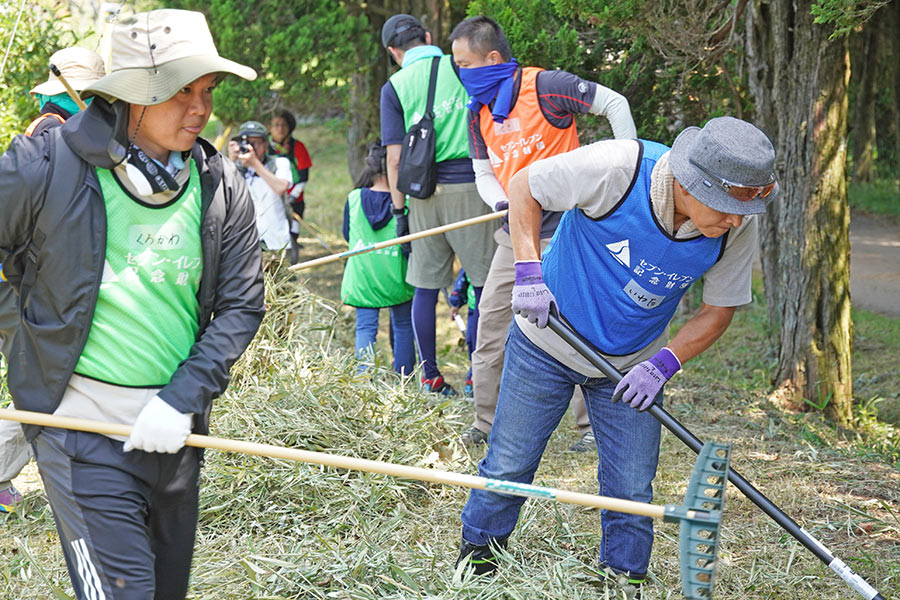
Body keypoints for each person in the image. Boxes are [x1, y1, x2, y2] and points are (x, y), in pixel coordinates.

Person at [0, 9, 264, 599]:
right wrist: (19, 329)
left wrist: (181, 399)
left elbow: (242, 305)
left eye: (207, 91)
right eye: (180, 92)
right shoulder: (44, 167)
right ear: (133, 99)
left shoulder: (220, 187)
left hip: (174, 435)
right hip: (78, 431)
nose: (201, 108)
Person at [457, 117, 777, 594]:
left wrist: (663, 364)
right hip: (547, 338)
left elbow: (718, 310)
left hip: (632, 365)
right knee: (510, 463)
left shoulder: (733, 228)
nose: (735, 220)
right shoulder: (618, 168)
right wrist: (527, 270)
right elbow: (525, 186)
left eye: (742, 210)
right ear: (692, 184)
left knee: (631, 485)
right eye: (727, 208)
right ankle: (476, 563)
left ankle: (624, 579)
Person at [448, 16, 638, 450]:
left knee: (582, 324)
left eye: (465, 64)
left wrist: (630, 170)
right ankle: (485, 421)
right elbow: (482, 172)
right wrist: (501, 201)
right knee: (491, 322)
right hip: (514, 232)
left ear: (492, 59)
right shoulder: (477, 110)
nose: (461, 75)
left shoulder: (546, 87)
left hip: (572, 229)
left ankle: (591, 428)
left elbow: (616, 105)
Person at [0, 46, 107, 513]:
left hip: (31, 288)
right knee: (44, 388)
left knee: (48, 384)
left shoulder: (58, 136)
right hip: (16, 289)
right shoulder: (48, 142)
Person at [380, 14, 497, 396]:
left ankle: (429, 375)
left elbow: (394, 160)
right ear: (428, 37)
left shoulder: (394, 86)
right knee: (484, 286)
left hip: (422, 194)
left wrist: (400, 213)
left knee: (425, 288)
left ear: (393, 52)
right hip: (473, 187)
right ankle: (477, 375)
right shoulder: (460, 64)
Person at [341, 141, 416, 375]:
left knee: (365, 328)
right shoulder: (405, 203)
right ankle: (404, 380)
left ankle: (363, 381)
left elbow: (347, 234)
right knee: (403, 326)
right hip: (396, 276)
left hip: (363, 278)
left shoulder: (354, 198)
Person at [228, 120, 294, 252]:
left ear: (265, 144)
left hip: (276, 242)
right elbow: (223, 196)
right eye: (245, 143)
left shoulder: (280, 163)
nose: (249, 147)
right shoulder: (234, 169)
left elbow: (281, 188)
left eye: (254, 143)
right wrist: (231, 162)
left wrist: (254, 163)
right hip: (245, 245)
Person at [269, 110, 312, 223]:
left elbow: (303, 177)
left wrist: (292, 197)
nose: (280, 129)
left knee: (292, 235)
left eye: (284, 125)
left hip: (294, 201)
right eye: (276, 125)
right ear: (270, 128)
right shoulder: (264, 148)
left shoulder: (298, 147)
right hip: (269, 202)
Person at [447, 269, 478, 398]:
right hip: (474, 306)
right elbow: (464, 276)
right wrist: (456, 302)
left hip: (496, 307)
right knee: (473, 342)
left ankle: (480, 378)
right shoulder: (471, 259)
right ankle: (473, 376)